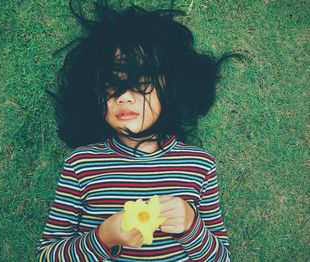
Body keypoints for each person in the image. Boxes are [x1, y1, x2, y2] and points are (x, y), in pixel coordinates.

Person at [37, 1, 239, 261]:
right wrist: (102, 238)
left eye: (140, 83)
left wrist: (191, 225)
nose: (123, 97)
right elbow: (46, 256)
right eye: (111, 86)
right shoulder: (81, 165)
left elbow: (221, 258)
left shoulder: (199, 165)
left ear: (171, 89)